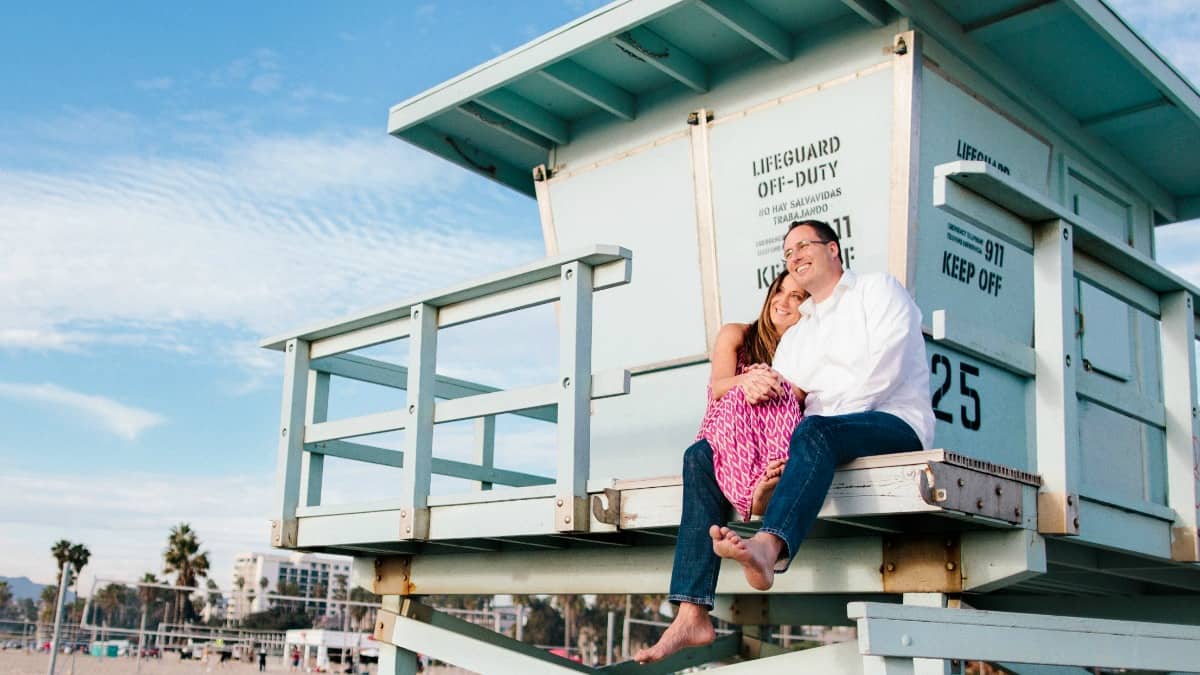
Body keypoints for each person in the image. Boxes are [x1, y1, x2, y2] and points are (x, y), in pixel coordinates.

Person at [635, 219, 934, 663]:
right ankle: (691, 611)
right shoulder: (797, 336)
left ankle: (768, 547)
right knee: (701, 454)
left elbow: (885, 370)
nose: (794, 256)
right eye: (787, 252)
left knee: (815, 429)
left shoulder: (878, 290)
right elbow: (786, 406)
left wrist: (805, 429)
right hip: (821, 439)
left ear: (833, 249)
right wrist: (755, 388)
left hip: (893, 423)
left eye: (803, 245)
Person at [696, 270, 806, 521]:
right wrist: (749, 379)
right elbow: (717, 388)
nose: (783, 301)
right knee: (699, 455)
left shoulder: (804, 348)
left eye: (795, 296)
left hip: (773, 440)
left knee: (697, 458)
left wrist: (774, 383)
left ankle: (762, 486)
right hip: (727, 433)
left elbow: (805, 395)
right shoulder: (737, 333)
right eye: (779, 291)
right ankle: (753, 496)